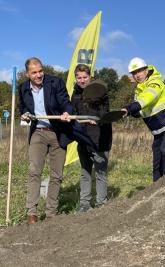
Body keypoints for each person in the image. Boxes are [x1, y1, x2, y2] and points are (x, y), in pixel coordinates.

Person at [19, 57, 93, 224]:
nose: (38, 75)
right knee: (34, 171)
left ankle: (51, 212)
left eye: (40, 71)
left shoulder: (55, 82)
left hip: (58, 132)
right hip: (38, 132)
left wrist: (67, 112)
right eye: (34, 73)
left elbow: (66, 102)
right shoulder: (23, 88)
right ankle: (32, 212)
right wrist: (24, 114)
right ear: (27, 74)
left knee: (56, 175)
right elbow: (23, 107)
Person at [122, 57, 165, 182]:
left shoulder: (155, 82)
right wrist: (129, 112)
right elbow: (141, 111)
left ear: (146, 70)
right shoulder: (139, 90)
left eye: (139, 71)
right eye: (134, 73)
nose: (137, 75)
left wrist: (130, 108)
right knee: (156, 162)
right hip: (158, 131)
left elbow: (147, 98)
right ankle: (155, 191)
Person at [71, 64, 112, 212]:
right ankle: (84, 204)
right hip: (83, 139)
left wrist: (98, 118)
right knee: (85, 172)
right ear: (75, 78)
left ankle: (101, 204)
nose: (82, 80)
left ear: (90, 77)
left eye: (85, 77)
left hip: (100, 139)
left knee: (100, 173)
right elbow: (73, 113)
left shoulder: (100, 92)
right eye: (79, 77)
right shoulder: (75, 95)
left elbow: (105, 111)